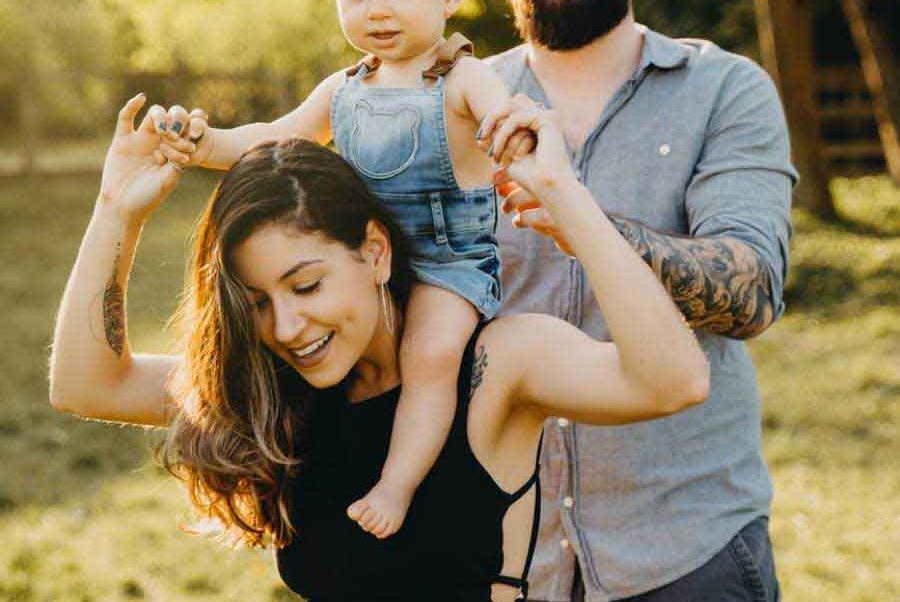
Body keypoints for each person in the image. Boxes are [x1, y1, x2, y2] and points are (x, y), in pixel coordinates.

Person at [50, 94, 708, 602]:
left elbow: (673, 381)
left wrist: (567, 201)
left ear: (375, 252)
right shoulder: (275, 387)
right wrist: (117, 209)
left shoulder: (495, 366)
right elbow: (86, 385)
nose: (287, 327)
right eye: (257, 303)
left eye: (306, 285)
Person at [150, 0, 536, 539]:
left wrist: (518, 135)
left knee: (430, 357)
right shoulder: (344, 89)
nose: (377, 9)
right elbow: (273, 137)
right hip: (367, 266)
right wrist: (206, 143)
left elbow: (505, 116)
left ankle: (398, 483)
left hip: (446, 265)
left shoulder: (462, 80)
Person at [482, 0, 799, 602]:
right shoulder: (459, 110)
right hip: (505, 564)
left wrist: (581, 220)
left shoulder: (724, 90)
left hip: (688, 555)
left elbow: (752, 290)